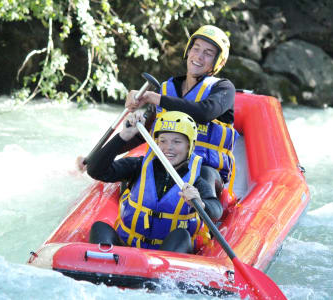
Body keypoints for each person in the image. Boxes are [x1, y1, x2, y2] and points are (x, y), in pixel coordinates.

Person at [86, 110, 223, 253]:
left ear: (189, 146)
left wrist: (199, 203)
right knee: (99, 227)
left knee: (181, 235)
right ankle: (106, 267)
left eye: (177, 142)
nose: (168, 147)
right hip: (128, 251)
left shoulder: (195, 180)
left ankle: (159, 273)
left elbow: (216, 210)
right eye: (163, 141)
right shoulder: (139, 166)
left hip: (167, 256)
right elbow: (95, 171)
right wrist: (123, 137)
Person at [124, 25, 239, 191]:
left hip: (204, 171)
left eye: (208, 53)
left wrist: (153, 97)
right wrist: (98, 157)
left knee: (205, 175)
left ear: (218, 61)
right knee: (135, 171)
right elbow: (141, 133)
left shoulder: (224, 88)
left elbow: (204, 112)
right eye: (196, 48)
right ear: (188, 50)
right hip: (166, 163)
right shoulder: (167, 89)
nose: (199, 56)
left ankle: (207, 212)